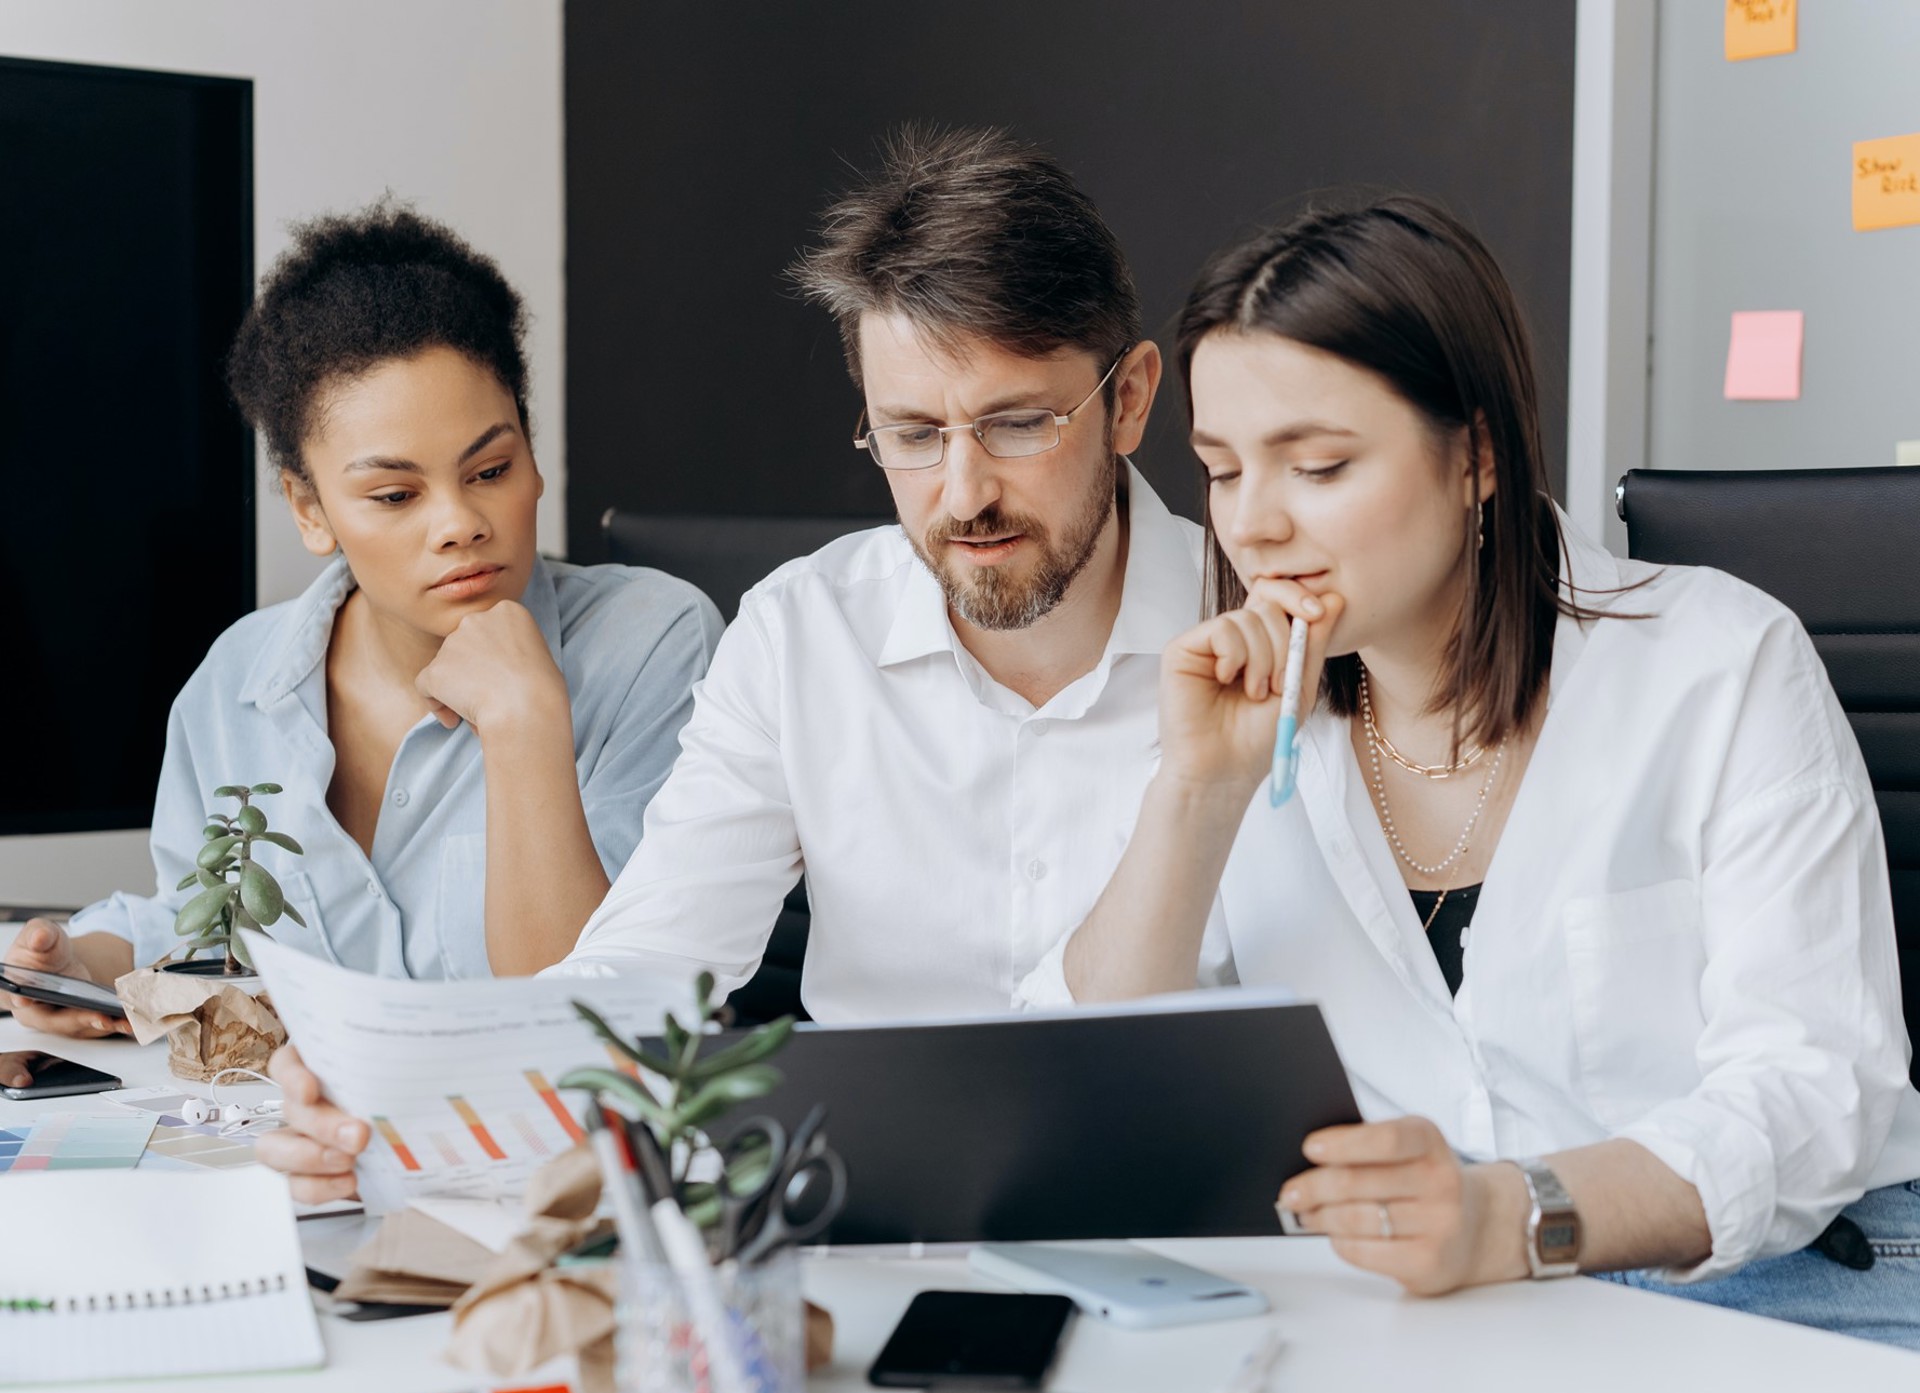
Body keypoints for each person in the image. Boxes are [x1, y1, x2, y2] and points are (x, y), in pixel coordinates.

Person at [1033, 198, 1920, 1347]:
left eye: (1318, 465)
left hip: (1781, 1288)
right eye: (1220, 470)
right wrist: (1196, 797)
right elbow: (1088, 1086)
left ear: (1479, 455)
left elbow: (1815, 1094)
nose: (1251, 525)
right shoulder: (1240, 714)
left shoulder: (1717, 665)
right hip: (1437, 1318)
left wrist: (1513, 1214)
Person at [260, 126, 1206, 1202]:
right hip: (865, 1224)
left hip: (1198, 1227)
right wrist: (395, 1103)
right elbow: (642, 976)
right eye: (910, 433)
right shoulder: (802, 633)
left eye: (1017, 424)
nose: (962, 493)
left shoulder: (1280, 640)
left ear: (1128, 400)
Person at [3, 202, 722, 1053]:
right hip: (306, 1148)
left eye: (491, 469)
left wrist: (527, 722)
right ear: (310, 509)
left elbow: (585, 1026)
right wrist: (84, 965)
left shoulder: (654, 641)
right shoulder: (239, 680)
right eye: (394, 494)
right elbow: (205, 920)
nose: (459, 522)